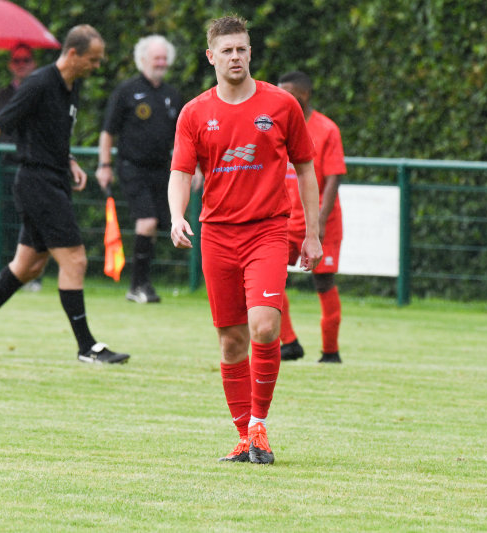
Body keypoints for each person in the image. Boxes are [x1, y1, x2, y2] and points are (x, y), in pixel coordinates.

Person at [168, 15, 322, 464]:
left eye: (242, 49)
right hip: (217, 235)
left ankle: (259, 424)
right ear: (211, 56)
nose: (235, 57)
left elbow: (306, 169)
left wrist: (312, 234)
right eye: (227, 50)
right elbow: (181, 171)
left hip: (268, 230)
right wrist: (176, 216)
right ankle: (243, 436)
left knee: (265, 326)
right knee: (231, 341)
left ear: (250, 53)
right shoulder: (195, 112)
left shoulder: (281, 105)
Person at [0, 24, 130, 365]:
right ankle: (86, 347)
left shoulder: (71, 86)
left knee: (28, 265)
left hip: (52, 180)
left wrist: (70, 160)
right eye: (93, 59)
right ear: (73, 53)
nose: (97, 66)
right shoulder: (38, 84)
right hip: (38, 183)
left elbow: (51, 133)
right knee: (75, 260)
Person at [96, 35, 183, 304]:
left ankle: (143, 283)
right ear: (143, 59)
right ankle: (136, 286)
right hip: (132, 167)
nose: (161, 62)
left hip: (161, 170)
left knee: (155, 227)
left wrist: (194, 168)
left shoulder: (172, 95)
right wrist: (104, 165)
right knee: (147, 221)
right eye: (156, 58)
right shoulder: (127, 91)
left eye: (164, 58)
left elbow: (183, 137)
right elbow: (107, 132)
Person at [277, 71, 347, 364]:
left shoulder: (326, 129)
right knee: (269, 277)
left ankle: (330, 351)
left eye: (287, 93)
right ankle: (289, 342)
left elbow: (333, 179)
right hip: (284, 221)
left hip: (320, 223)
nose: (281, 98)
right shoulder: (276, 127)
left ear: (303, 95)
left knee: (323, 282)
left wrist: (317, 224)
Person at [0, 44, 43, 292]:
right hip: (7, 169)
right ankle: (8, 274)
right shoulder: (4, 94)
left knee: (34, 223)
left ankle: (33, 275)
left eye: (26, 60)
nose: (21, 64)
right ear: (11, 65)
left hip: (34, 166)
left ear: (34, 63)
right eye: (17, 60)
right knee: (8, 225)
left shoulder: (41, 89)